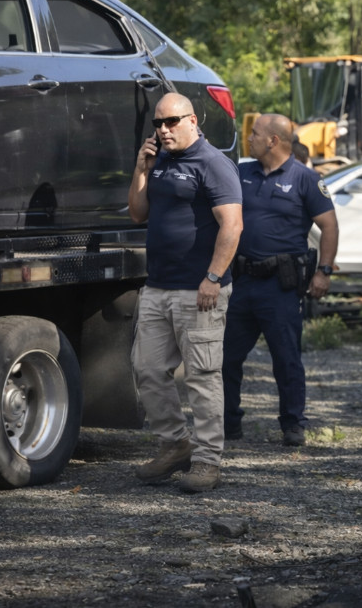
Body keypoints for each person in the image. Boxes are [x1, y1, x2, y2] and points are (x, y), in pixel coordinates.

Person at [128, 92, 243, 493]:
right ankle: (176, 445)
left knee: (202, 376)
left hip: (199, 291)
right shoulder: (159, 161)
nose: (163, 130)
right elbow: (138, 213)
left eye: (171, 122)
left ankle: (208, 461)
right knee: (146, 370)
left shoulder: (213, 164)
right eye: (158, 124)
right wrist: (142, 169)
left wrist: (213, 277)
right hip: (158, 286)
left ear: (192, 120)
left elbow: (232, 226)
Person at [222, 114, 339, 447]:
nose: (250, 139)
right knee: (226, 358)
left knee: (286, 358)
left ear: (274, 140)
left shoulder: (305, 179)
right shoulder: (242, 172)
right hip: (242, 282)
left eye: (256, 134)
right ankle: (229, 424)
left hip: (281, 285)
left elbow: (329, 227)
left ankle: (292, 424)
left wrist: (324, 271)